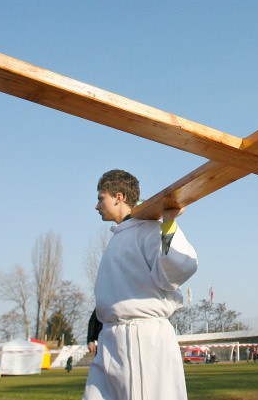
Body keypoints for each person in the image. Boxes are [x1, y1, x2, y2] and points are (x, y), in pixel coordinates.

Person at [82, 169, 198, 400]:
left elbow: (177, 268)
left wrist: (169, 222)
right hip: (109, 339)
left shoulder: (148, 229)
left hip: (140, 339)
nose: (96, 206)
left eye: (100, 198)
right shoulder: (120, 236)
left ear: (118, 197)